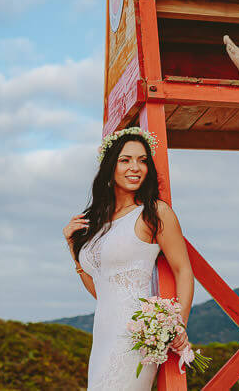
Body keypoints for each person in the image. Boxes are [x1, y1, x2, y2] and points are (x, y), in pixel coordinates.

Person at [63, 127, 194, 390]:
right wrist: (73, 248)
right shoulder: (97, 223)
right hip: (103, 335)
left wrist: (178, 324)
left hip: (137, 336)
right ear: (110, 166)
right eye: (125, 160)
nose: (135, 167)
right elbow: (101, 291)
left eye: (142, 160)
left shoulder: (154, 212)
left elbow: (183, 270)